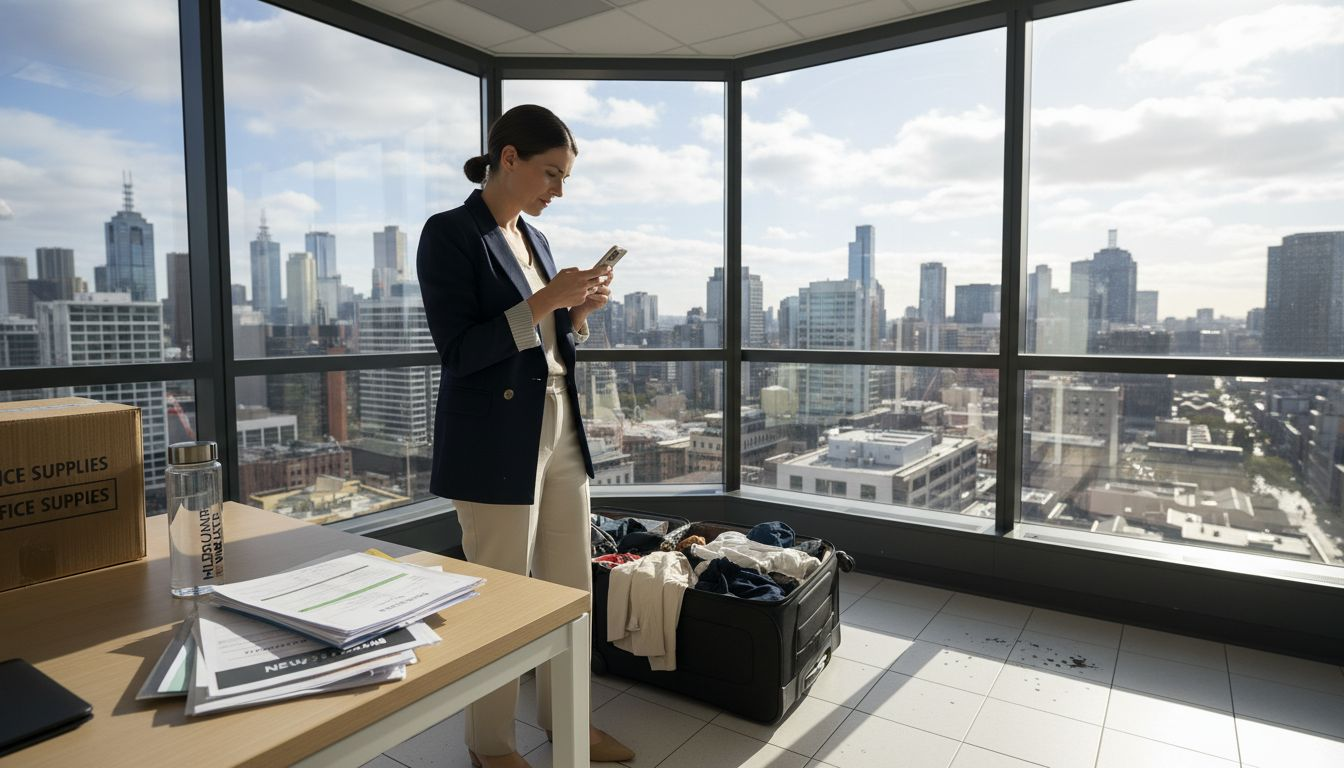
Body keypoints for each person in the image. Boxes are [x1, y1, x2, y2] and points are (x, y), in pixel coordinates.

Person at [416, 104, 634, 768]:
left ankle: (567, 723)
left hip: (559, 419)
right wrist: (546, 301)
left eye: (565, 177)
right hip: (495, 434)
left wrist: (577, 313)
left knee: (570, 586)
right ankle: (490, 744)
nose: (558, 190)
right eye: (551, 173)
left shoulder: (534, 240)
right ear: (507, 158)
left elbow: (545, 343)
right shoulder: (451, 233)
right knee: (502, 594)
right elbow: (460, 351)